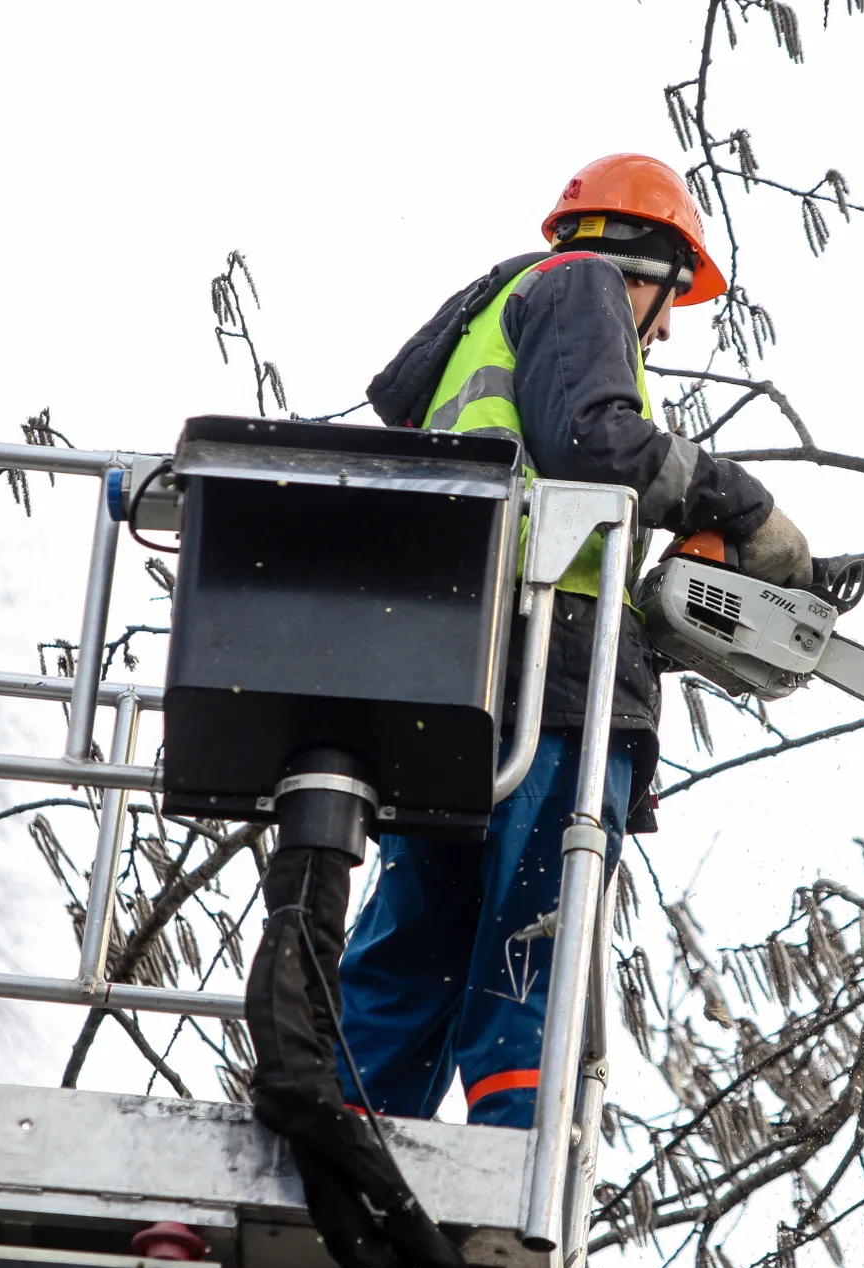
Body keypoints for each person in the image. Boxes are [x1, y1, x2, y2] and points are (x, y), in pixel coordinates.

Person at [337, 153, 812, 1130]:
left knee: (415, 944)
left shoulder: (490, 324)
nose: (669, 324)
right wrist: (744, 503)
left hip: (447, 669)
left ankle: (337, 1138)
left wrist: (654, 612)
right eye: (671, 297)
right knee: (528, 934)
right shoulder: (583, 284)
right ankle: (516, 1153)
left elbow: (545, 486)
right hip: (546, 679)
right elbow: (596, 442)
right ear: (648, 260)